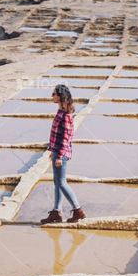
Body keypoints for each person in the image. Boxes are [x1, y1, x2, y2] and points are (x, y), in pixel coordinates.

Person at [41, 84, 86, 224]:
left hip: (62, 153)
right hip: (57, 152)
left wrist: (59, 156)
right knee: (57, 182)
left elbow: (65, 138)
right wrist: (52, 151)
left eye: (54, 94)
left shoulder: (66, 115)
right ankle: (56, 212)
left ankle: (78, 211)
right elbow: (56, 135)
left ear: (60, 96)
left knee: (61, 182)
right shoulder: (60, 111)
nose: (52, 96)